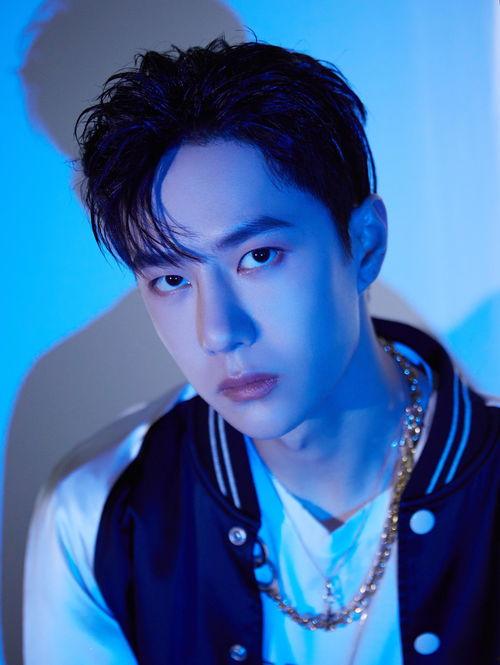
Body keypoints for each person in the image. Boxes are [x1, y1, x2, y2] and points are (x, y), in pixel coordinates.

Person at [23, 36, 498, 665]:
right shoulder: (102, 512)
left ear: (365, 244)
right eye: (171, 279)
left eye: (259, 256)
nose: (218, 332)